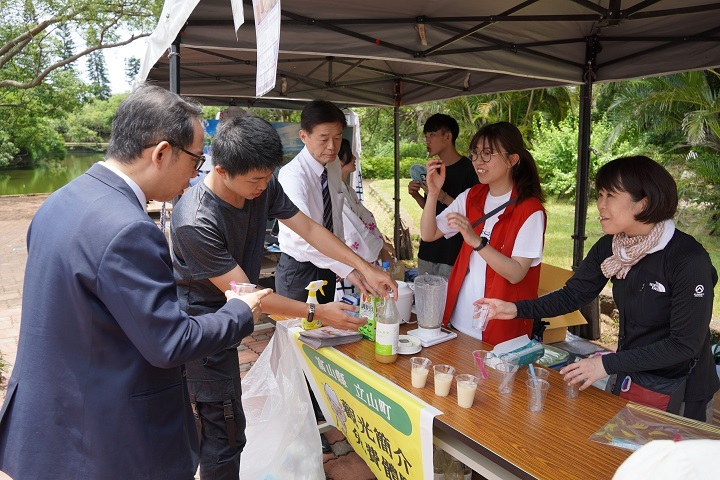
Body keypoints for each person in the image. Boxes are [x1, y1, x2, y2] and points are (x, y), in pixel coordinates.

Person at [0, 84, 272, 480]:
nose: (195, 175)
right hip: (108, 440)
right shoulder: (129, 230)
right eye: (196, 161)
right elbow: (170, 343)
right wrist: (240, 310)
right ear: (161, 152)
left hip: (51, 423)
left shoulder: (61, 200)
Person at [171, 116, 367, 479]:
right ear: (222, 170)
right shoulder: (194, 220)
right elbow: (249, 294)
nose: (264, 187)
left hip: (234, 316)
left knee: (229, 427)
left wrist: (361, 265)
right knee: (223, 433)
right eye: (255, 181)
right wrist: (318, 312)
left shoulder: (261, 181)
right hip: (205, 330)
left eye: (267, 177)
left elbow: (307, 226)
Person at [478, 156, 719, 422]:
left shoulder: (687, 260)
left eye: (610, 196)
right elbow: (574, 295)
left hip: (681, 389)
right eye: (599, 194)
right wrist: (514, 308)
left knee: (669, 462)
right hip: (630, 373)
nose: (600, 205)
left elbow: (683, 344)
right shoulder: (613, 247)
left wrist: (605, 364)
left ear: (644, 202)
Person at [420, 122, 546, 346]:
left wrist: (477, 242)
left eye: (488, 154)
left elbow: (516, 273)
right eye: (475, 153)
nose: (478, 161)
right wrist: (432, 194)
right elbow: (429, 234)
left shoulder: (530, 210)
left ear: (512, 160)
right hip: (460, 319)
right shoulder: (471, 196)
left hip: (501, 328)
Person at [276, 100, 396, 303]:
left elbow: (335, 221)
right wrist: (349, 267)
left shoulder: (332, 167)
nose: (332, 147)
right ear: (304, 136)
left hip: (328, 266)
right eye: (324, 139)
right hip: (300, 271)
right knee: (297, 330)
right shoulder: (292, 176)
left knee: (326, 329)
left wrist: (340, 264)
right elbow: (305, 236)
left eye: (338, 138)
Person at [408, 113, 479, 278]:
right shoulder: (434, 169)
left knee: (449, 303)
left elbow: (473, 213)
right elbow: (431, 210)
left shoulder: (470, 171)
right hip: (427, 251)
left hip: (452, 253)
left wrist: (442, 196)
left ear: (448, 136)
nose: (427, 141)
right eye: (426, 136)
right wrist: (418, 196)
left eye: (432, 135)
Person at [338, 138, 395, 268]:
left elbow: (367, 219)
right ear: (339, 160)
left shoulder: (349, 191)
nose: (354, 157)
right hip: (346, 261)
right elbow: (352, 230)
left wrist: (382, 247)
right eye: (349, 154)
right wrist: (381, 246)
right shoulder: (336, 192)